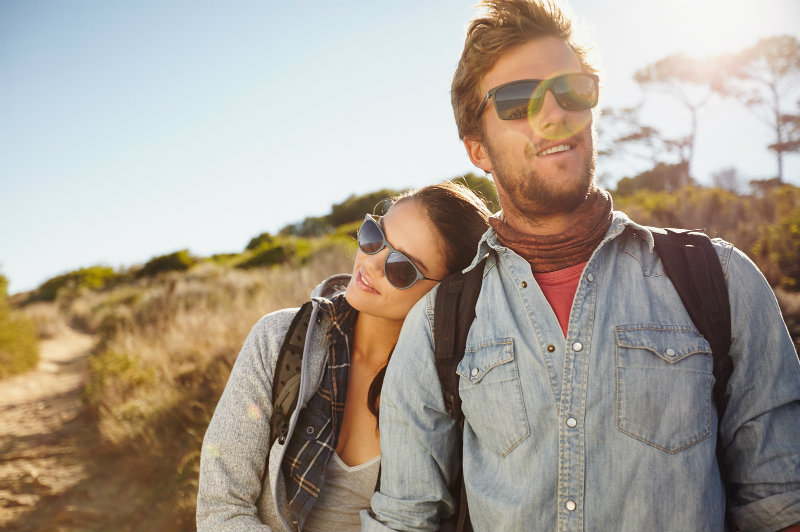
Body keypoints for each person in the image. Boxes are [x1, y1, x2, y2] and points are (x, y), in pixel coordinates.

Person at [362, 1, 800, 531]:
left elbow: (781, 505)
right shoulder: (438, 324)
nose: (554, 115)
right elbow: (406, 519)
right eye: (518, 101)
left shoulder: (720, 279)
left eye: (572, 89)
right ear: (477, 149)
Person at [195, 181, 490, 531]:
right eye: (373, 236)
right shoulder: (278, 340)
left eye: (401, 267)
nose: (372, 262)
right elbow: (221, 509)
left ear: (447, 293)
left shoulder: (460, 387)